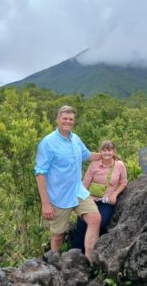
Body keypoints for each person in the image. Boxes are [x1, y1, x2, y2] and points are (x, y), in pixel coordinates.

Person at [34, 105, 101, 263]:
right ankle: (52, 267)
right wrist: (45, 203)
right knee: (58, 236)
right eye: (65, 118)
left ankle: (90, 262)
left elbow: (86, 155)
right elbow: (40, 173)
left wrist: (107, 155)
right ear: (58, 120)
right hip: (58, 195)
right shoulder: (48, 143)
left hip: (77, 190)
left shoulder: (75, 139)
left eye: (71, 119)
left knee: (95, 218)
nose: (68, 121)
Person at [72, 140, 127, 253]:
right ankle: (75, 254)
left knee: (101, 224)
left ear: (113, 151)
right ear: (100, 151)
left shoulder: (119, 165)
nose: (107, 153)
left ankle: (95, 252)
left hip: (106, 201)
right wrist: (81, 201)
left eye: (109, 150)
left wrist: (115, 194)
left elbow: (123, 182)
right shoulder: (94, 165)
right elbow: (85, 184)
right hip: (90, 199)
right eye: (104, 150)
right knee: (82, 224)